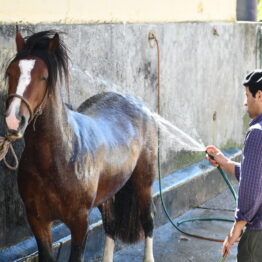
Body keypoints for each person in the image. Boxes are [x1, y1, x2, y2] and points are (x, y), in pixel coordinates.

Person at [206, 70, 262, 262]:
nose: (245, 103)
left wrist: (238, 225)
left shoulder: (257, 132)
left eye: (247, 96)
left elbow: (252, 186)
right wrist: (224, 162)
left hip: (258, 237)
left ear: (260, 95)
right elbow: (256, 175)